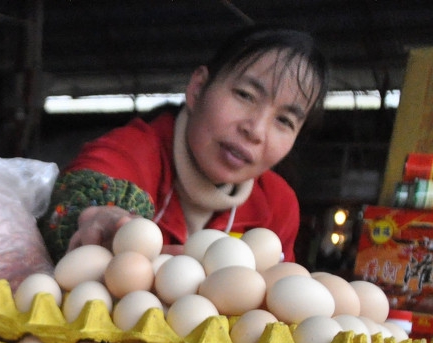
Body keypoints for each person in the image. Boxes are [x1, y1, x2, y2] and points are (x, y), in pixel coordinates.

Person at [40, 26, 327, 264]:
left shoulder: (277, 205)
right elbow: (81, 195)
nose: (256, 131)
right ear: (198, 88)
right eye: (245, 95)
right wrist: (102, 220)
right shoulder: (133, 152)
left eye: (285, 121)